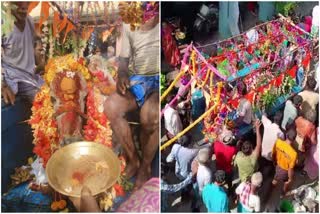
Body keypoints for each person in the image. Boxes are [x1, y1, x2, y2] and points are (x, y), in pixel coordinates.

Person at [104, 3, 159, 189]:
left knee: (150, 116)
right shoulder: (129, 24)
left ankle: (145, 167)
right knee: (111, 106)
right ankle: (133, 160)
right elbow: (123, 61)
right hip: (138, 80)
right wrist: (122, 75)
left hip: (161, 80)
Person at [1, 2, 44, 105]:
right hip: (13, 78)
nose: (24, 8)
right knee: (43, 103)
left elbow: (34, 43)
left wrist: (41, 63)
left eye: (26, 3)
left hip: (30, 76)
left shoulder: (29, 20)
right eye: (19, 3)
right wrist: (2, 85)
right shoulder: (2, 22)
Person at [272, 128, 298, 195]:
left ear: (286, 135)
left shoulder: (278, 142)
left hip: (277, 165)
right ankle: (283, 192)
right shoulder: (293, 154)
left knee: (276, 176)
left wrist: (274, 163)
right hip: (285, 171)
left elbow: (273, 154)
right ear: (294, 139)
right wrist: (290, 178)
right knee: (286, 182)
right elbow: (290, 169)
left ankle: (273, 185)